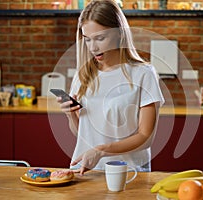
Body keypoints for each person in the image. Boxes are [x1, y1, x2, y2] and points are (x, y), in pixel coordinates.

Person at [57, 0, 165, 175]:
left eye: (100, 38)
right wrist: (71, 114)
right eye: (87, 40)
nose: (93, 47)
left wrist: (101, 151)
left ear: (119, 34)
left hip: (129, 173)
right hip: (85, 172)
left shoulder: (143, 74)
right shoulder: (83, 75)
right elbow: (83, 134)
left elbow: (145, 137)